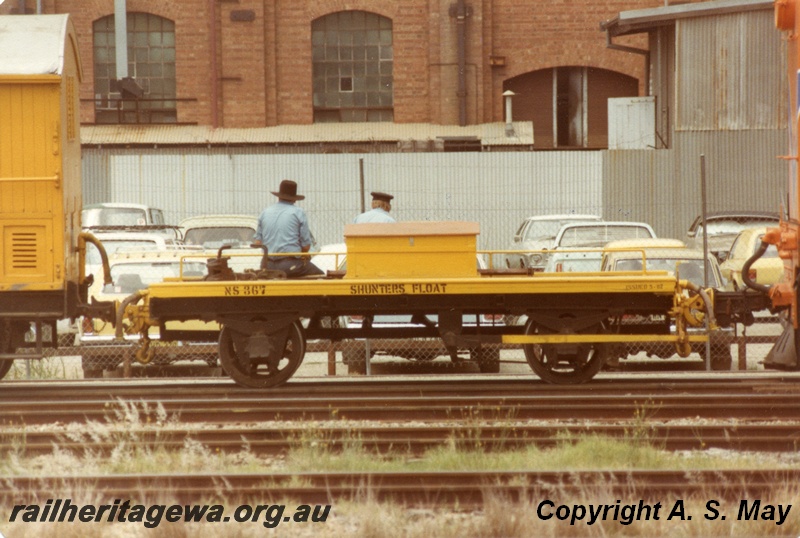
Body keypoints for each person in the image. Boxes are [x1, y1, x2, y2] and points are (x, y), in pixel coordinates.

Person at [253, 180, 323, 277]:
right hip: (290, 264)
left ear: (279, 196)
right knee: (320, 275)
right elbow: (306, 246)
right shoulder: (298, 212)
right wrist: (304, 255)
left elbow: (257, 243)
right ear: (294, 199)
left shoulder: (265, 212)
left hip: (266, 265)